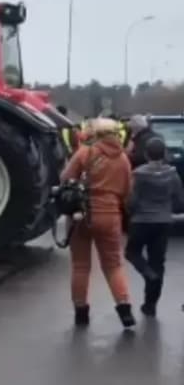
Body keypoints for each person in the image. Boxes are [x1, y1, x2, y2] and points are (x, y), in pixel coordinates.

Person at [60, 117, 134, 328]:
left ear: (94, 133)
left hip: (81, 214)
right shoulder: (123, 159)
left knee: (81, 266)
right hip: (110, 215)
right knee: (113, 265)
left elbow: (65, 178)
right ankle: (124, 308)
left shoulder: (85, 153)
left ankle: (81, 312)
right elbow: (127, 191)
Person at [125, 136, 184, 316]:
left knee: (132, 253)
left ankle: (146, 272)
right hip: (163, 222)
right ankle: (150, 305)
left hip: (141, 221)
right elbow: (179, 200)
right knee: (158, 262)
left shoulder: (138, 174)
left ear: (146, 153)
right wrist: (168, 209)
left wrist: (131, 212)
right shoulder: (172, 173)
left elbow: (132, 200)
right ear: (164, 153)